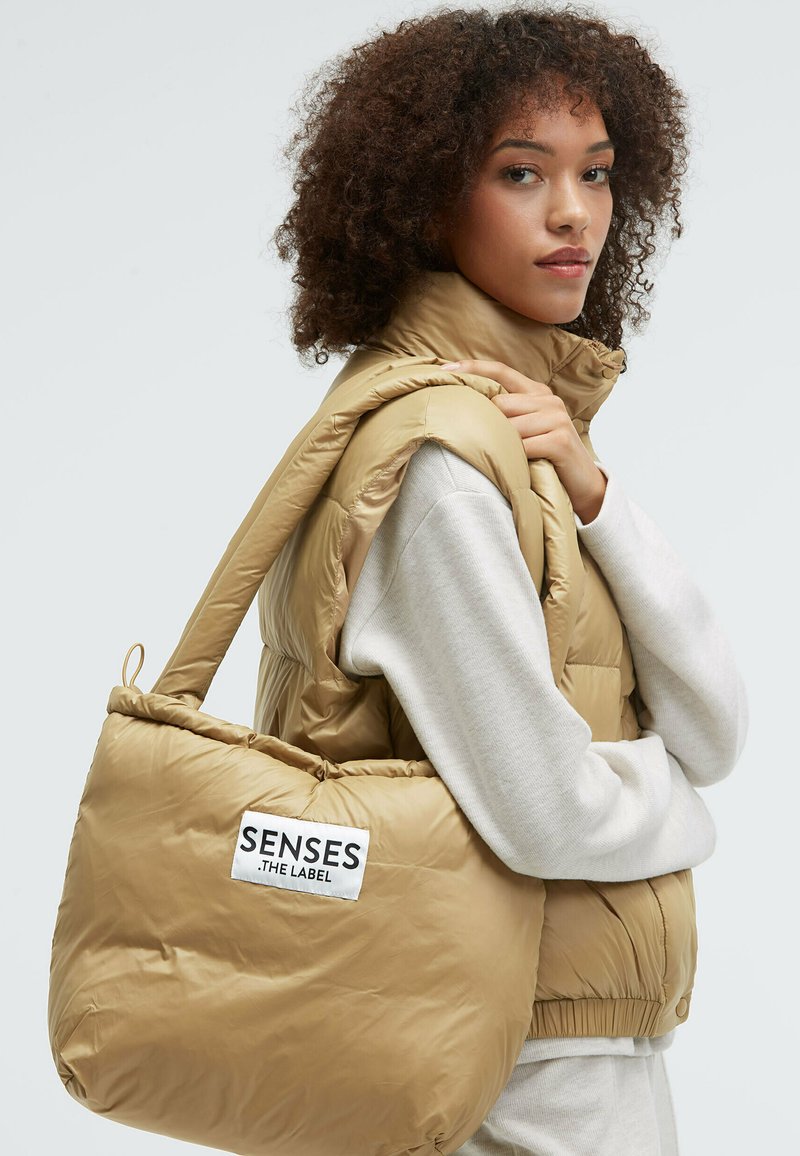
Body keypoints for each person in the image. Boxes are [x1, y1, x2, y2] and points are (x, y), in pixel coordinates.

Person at [260, 5, 749, 1153]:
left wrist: (595, 496)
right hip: (506, 1073)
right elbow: (545, 809)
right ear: (427, 195)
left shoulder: (519, 447)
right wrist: (685, 811)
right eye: (519, 173)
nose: (572, 212)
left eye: (595, 172)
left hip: (554, 1040)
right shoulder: (436, 464)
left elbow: (716, 727)